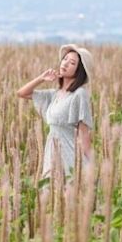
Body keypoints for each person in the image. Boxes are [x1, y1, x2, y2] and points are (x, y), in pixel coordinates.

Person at [17, 44, 94, 179]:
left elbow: (84, 134)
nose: (65, 63)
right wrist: (41, 78)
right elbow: (22, 93)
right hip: (51, 155)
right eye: (65, 59)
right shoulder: (53, 95)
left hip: (70, 157)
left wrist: (93, 167)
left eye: (72, 63)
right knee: (49, 194)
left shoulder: (79, 94)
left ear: (79, 71)